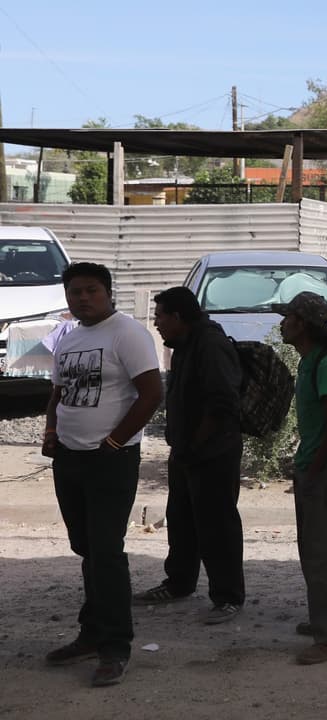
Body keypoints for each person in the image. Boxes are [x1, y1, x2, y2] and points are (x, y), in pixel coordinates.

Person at [42, 262, 162, 687]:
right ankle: (91, 633)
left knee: (107, 552)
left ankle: (115, 647)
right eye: (75, 291)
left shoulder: (127, 333)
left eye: (91, 290)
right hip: (69, 457)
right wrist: (51, 431)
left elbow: (152, 393)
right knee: (86, 547)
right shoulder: (69, 338)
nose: (83, 298)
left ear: (108, 292)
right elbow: (58, 391)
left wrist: (114, 442)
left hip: (110, 458)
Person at [134, 286, 245, 626]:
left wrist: (196, 444)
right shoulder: (184, 345)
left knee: (217, 526)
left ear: (178, 316)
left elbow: (222, 403)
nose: (156, 323)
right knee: (182, 520)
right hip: (187, 452)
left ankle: (228, 597)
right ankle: (179, 583)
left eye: (160, 317)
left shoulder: (210, 345)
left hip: (213, 452)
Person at [275, 291, 327, 664]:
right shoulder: (311, 361)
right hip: (316, 467)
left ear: (303, 324)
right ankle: (326, 619)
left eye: (288, 317)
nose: (282, 323)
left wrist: (314, 469)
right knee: (315, 550)